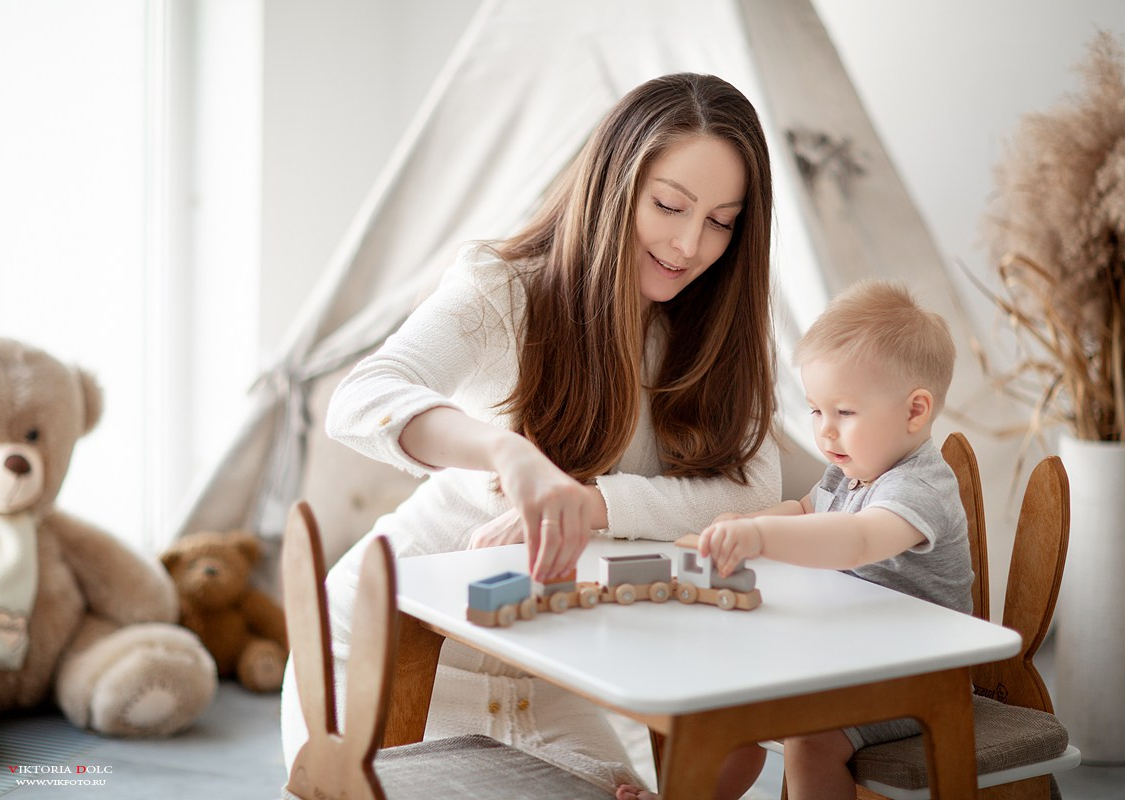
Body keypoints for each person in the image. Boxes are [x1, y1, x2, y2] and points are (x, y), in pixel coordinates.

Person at [280, 72, 783, 793]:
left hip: (553, 669)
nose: (687, 243)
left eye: (721, 221)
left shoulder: (717, 333)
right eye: (670, 205)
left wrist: (598, 504)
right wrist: (504, 451)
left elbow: (752, 487)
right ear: (615, 186)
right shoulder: (505, 291)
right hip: (390, 649)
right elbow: (361, 399)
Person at [616, 280, 973, 800]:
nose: (825, 432)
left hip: (917, 679)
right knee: (729, 708)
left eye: (844, 412)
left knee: (812, 739)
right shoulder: (849, 471)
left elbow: (854, 540)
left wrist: (760, 536)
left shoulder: (918, 488)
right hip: (848, 660)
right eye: (815, 410)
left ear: (915, 411)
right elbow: (806, 510)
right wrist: (735, 527)